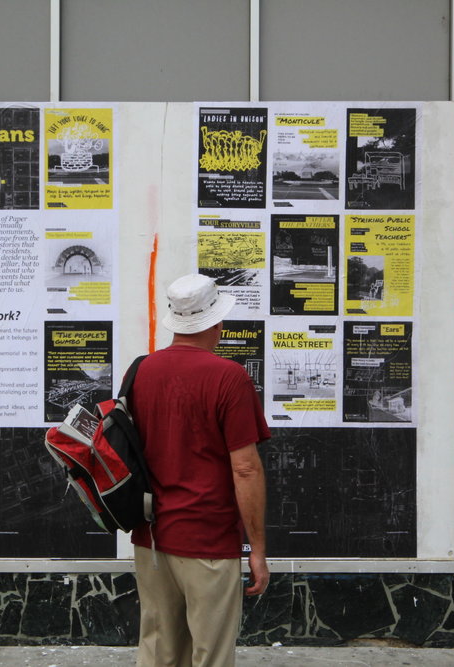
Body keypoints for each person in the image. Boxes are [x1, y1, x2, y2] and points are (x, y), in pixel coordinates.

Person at [130, 273, 271, 667]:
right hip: (208, 540)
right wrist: (257, 550)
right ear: (216, 323)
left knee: (158, 652)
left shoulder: (141, 372)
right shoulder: (229, 378)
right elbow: (245, 470)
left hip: (152, 537)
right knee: (210, 655)